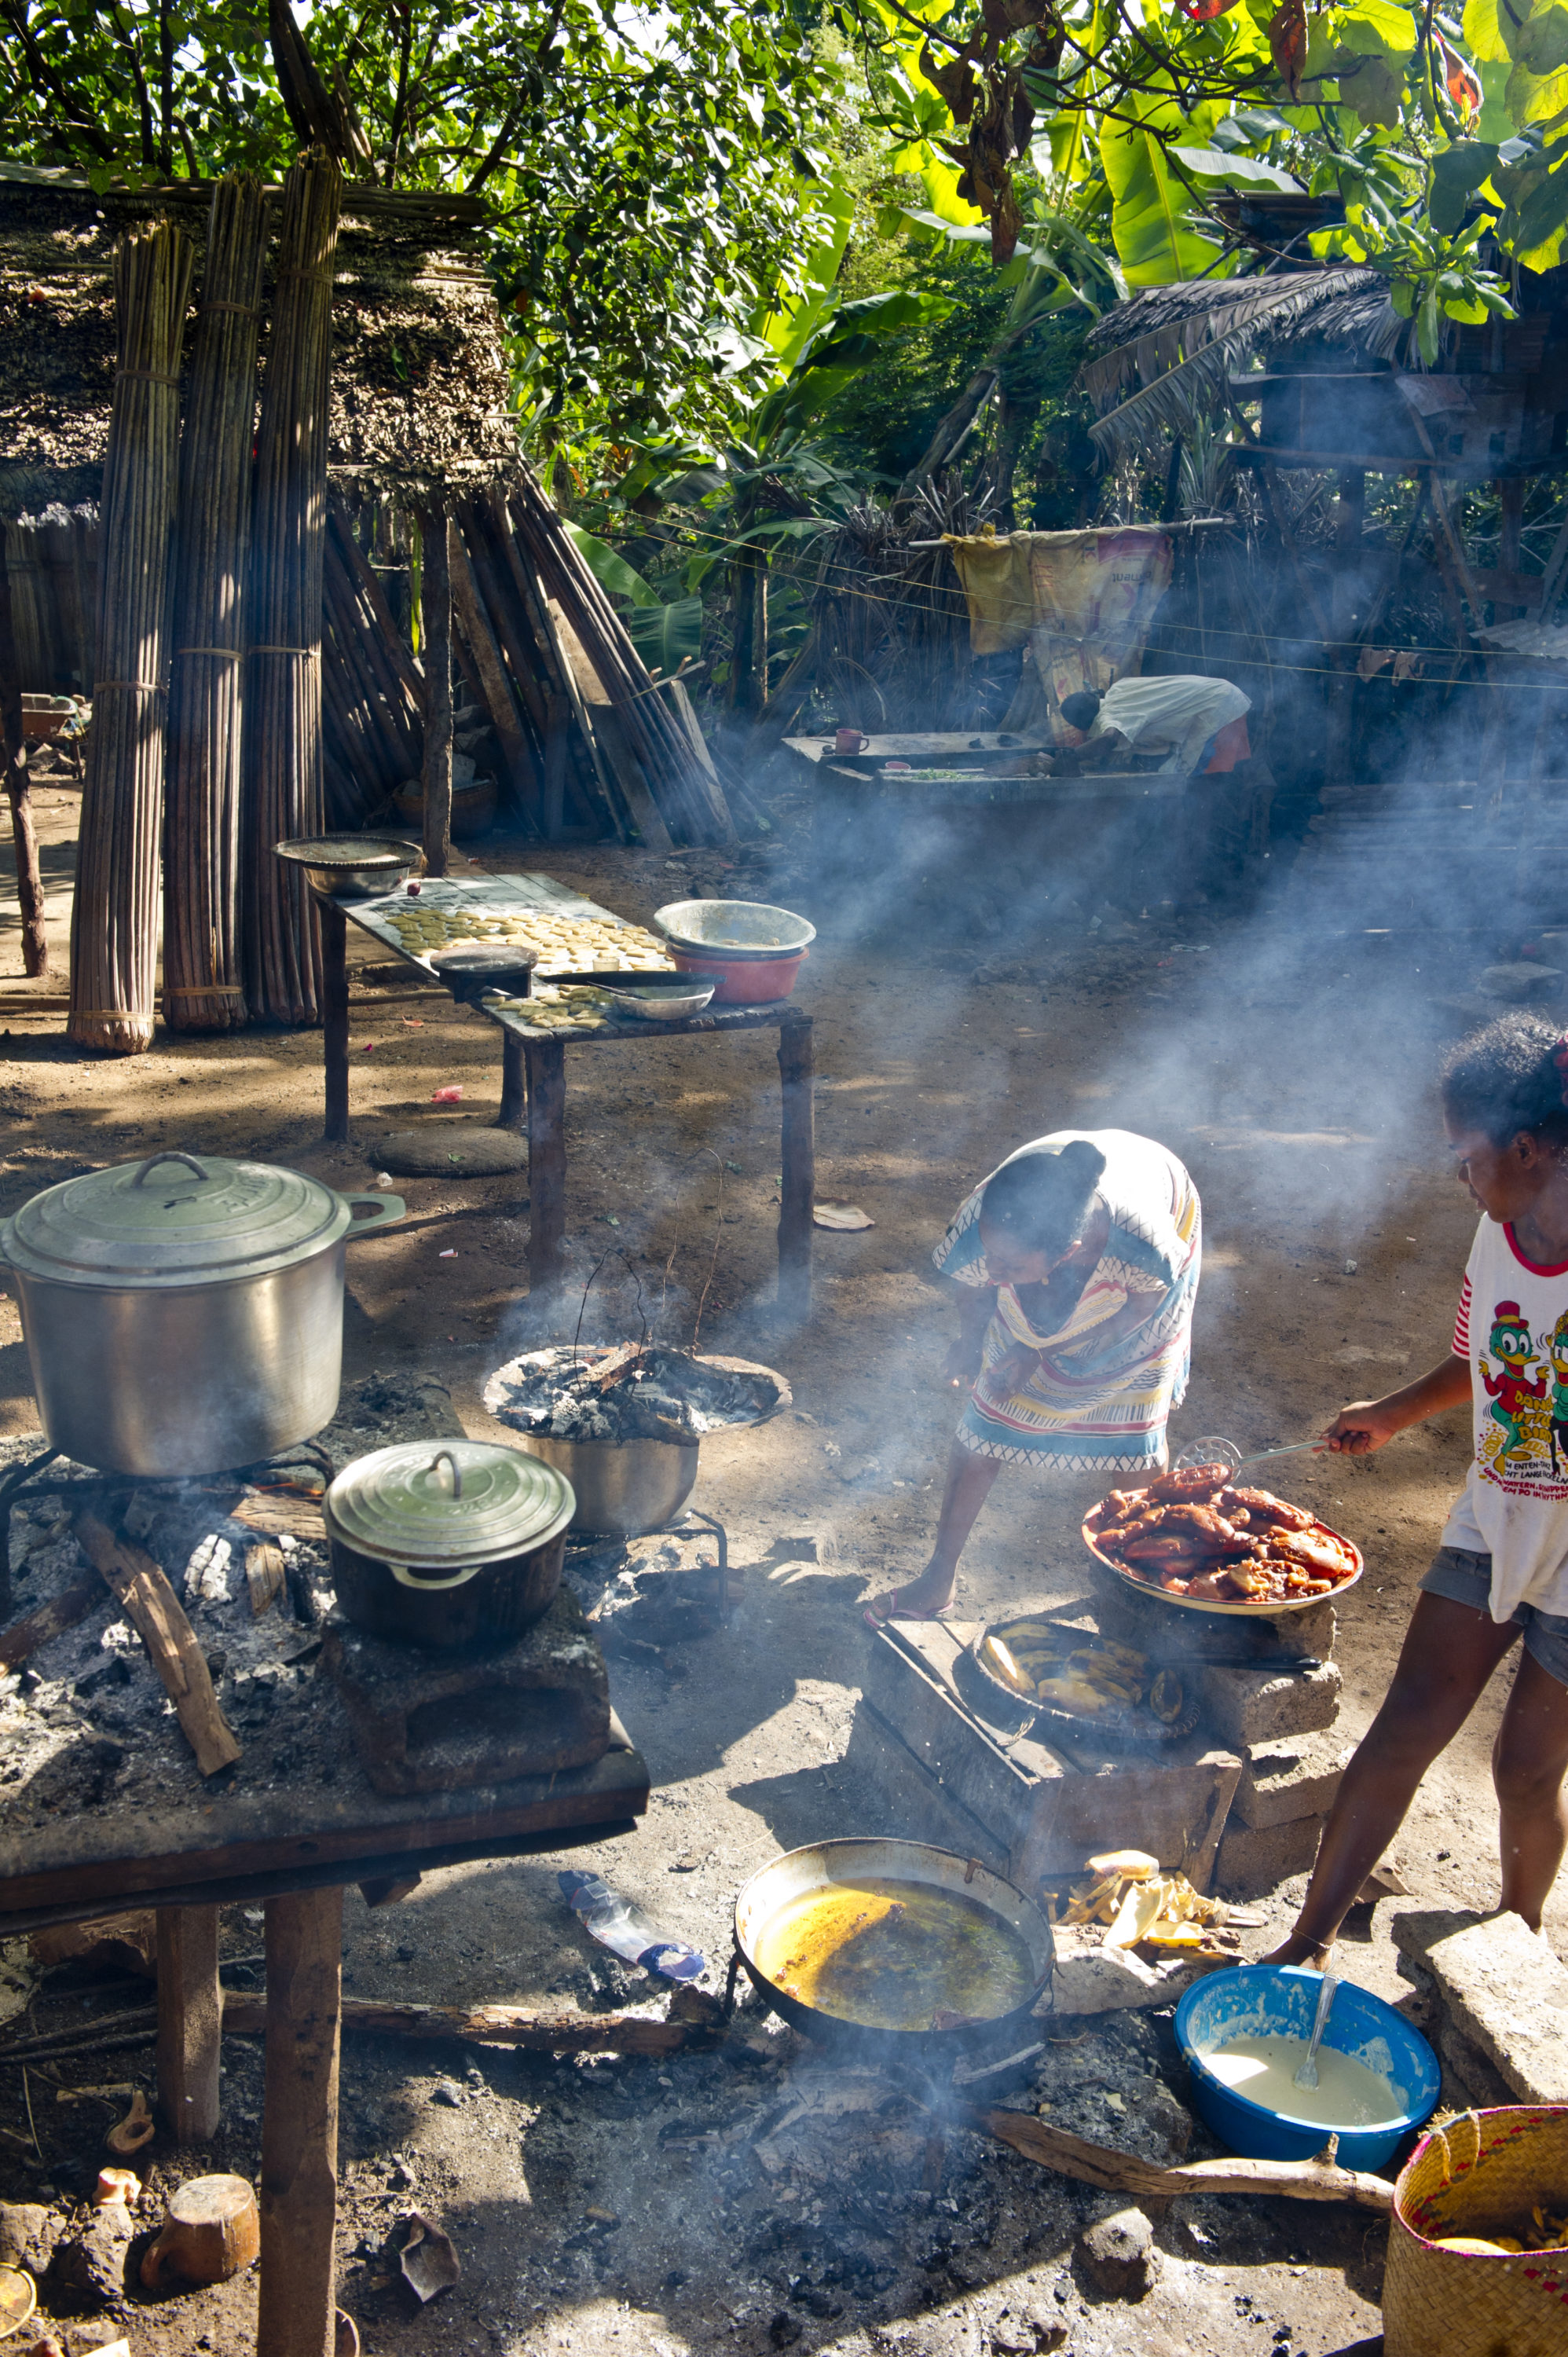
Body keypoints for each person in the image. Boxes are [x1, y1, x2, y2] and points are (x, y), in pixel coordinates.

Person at [1267, 1013, 1568, 1968]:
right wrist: (1393, 1411)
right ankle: (1307, 1940)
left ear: (1526, 1148)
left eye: (1465, 1156)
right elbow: (1476, 1359)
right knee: (1405, 1724)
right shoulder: (1499, 1234)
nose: (1458, 1178)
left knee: (1523, 1768)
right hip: (1498, 1508)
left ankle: (1512, 1958)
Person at [864, 1131, 1201, 1624]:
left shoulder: (1143, 1245)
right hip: (1062, 1210)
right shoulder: (984, 1219)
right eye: (992, 1256)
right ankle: (938, 1579)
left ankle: (1146, 1590)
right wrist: (971, 1342)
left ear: (1070, 1252)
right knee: (988, 1412)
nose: (995, 1273)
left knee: (1134, 1424)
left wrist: (1039, 1352)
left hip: (1148, 1267)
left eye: (1012, 1265)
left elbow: (1136, 1315)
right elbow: (972, 1282)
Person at [1057, 676, 1251, 776]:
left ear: (1084, 723)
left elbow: (1109, 738)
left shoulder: (1111, 716)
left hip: (1218, 709)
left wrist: (1072, 756)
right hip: (1223, 695)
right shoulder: (1119, 688)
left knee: (1201, 783)